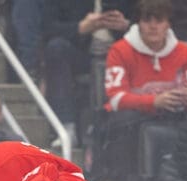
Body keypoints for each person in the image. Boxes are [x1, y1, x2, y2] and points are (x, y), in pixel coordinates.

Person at [100, 0, 187, 181]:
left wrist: (182, 99)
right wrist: (154, 101)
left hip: (171, 113)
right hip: (132, 117)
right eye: (147, 20)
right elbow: (115, 98)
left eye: (159, 20)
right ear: (138, 23)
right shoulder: (120, 50)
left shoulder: (184, 52)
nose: (153, 26)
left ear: (168, 24)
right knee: (123, 120)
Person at [42, 0, 134, 144]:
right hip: (83, 54)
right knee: (56, 48)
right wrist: (80, 28)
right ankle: (66, 127)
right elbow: (48, 29)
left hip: (124, 55)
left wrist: (127, 27)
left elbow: (154, 21)